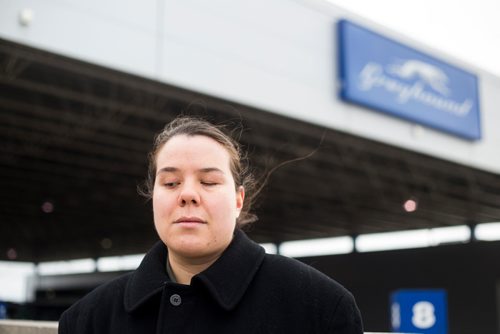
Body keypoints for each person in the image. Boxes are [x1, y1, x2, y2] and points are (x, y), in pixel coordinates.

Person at [58, 116, 363, 333]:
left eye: (209, 181)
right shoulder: (88, 320)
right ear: (153, 196)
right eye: (171, 182)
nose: (188, 194)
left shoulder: (320, 308)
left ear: (238, 199)